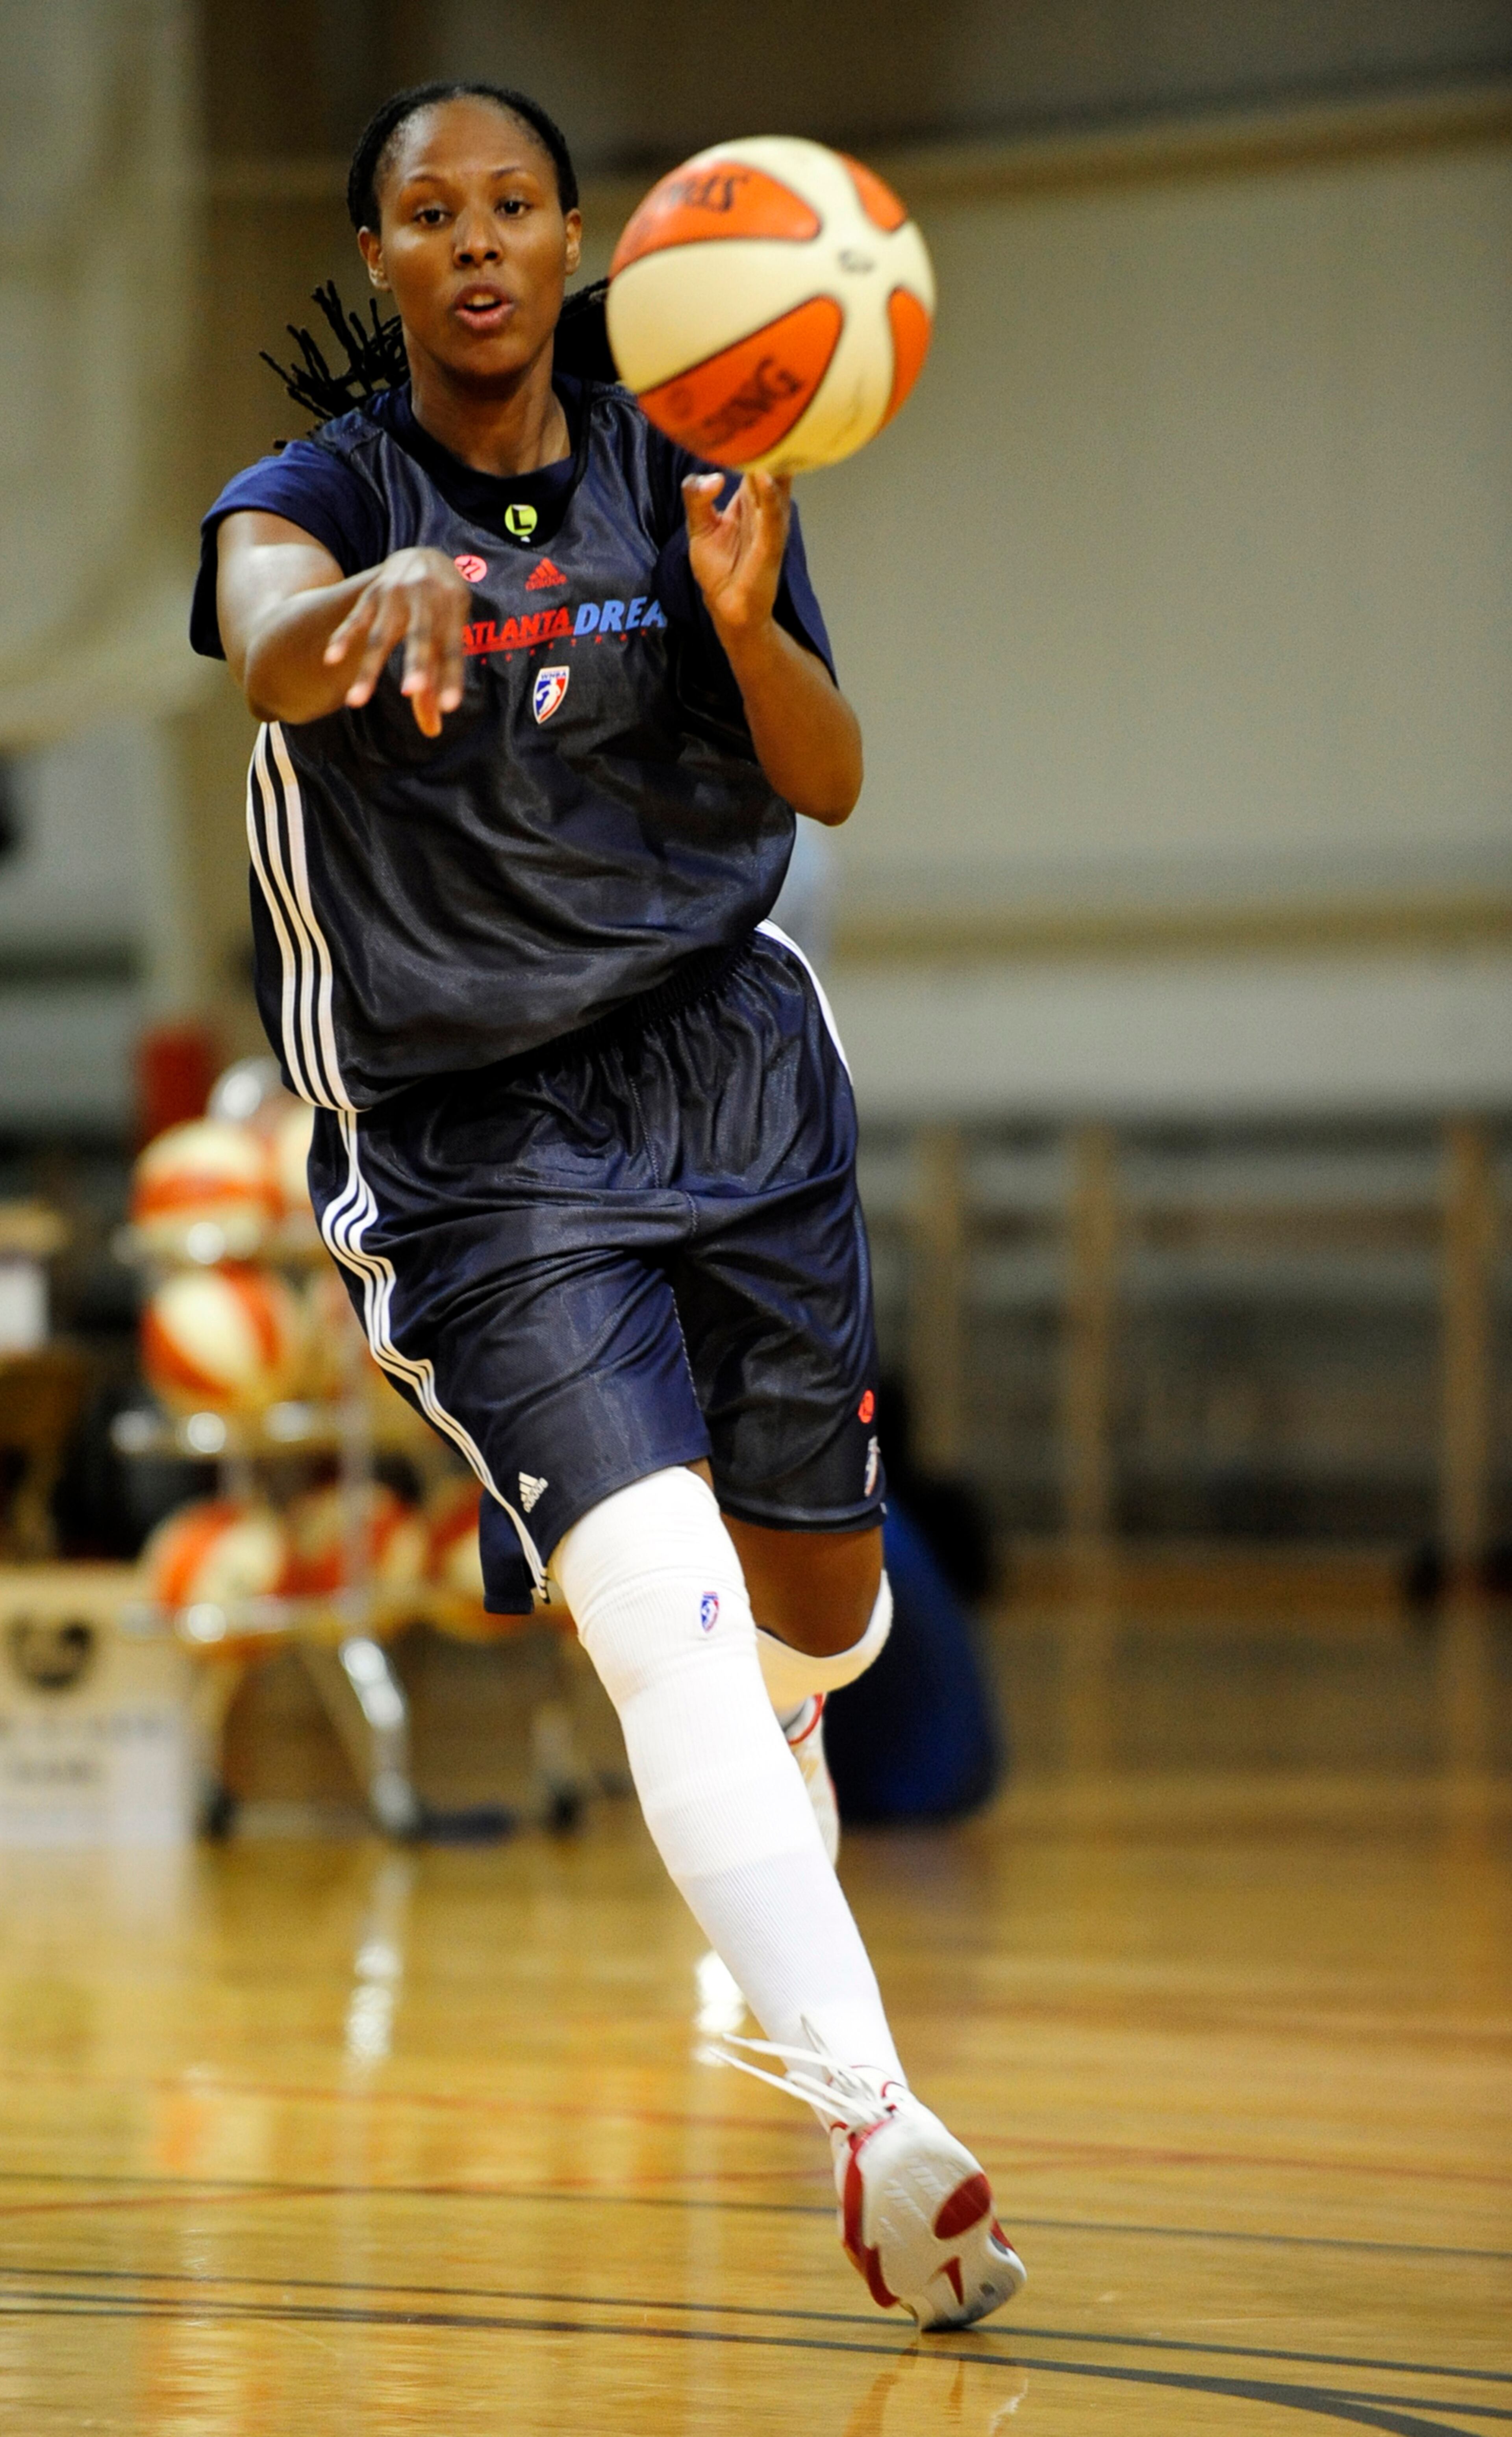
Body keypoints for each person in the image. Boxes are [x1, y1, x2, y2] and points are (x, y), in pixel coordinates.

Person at [192, 78, 1024, 2330]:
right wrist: (357, 612)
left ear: (583, 239)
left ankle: (773, 1762)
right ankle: (881, 2121)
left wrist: (748, 620)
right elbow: (265, 630)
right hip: (479, 1147)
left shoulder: (698, 461)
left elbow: (833, 767)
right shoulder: (321, 494)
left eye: (514, 203)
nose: (474, 243)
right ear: (379, 260)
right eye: (426, 213)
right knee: (654, 1607)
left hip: (737, 1076)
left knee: (812, 1623)